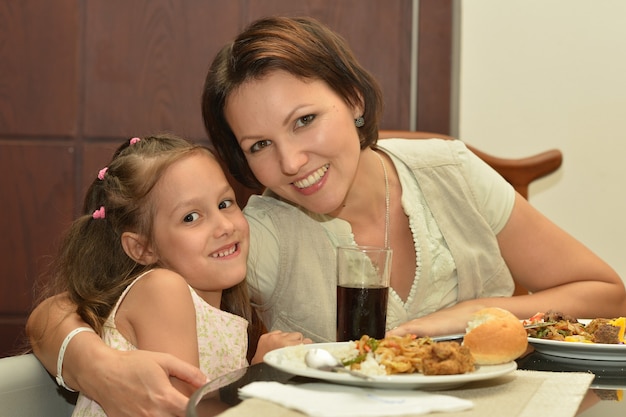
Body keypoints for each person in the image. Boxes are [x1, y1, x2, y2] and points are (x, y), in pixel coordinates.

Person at [27, 16, 626, 417]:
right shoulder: (254, 230)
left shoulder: (451, 171)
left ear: (354, 99)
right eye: (259, 145)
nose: (291, 162)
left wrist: (468, 315)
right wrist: (92, 363)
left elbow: (605, 292)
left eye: (304, 120)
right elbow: (70, 306)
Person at [28, 134, 309, 417]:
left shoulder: (207, 305)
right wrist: (260, 375)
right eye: (191, 217)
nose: (224, 226)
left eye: (225, 204)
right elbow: (180, 410)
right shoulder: (164, 290)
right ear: (142, 248)